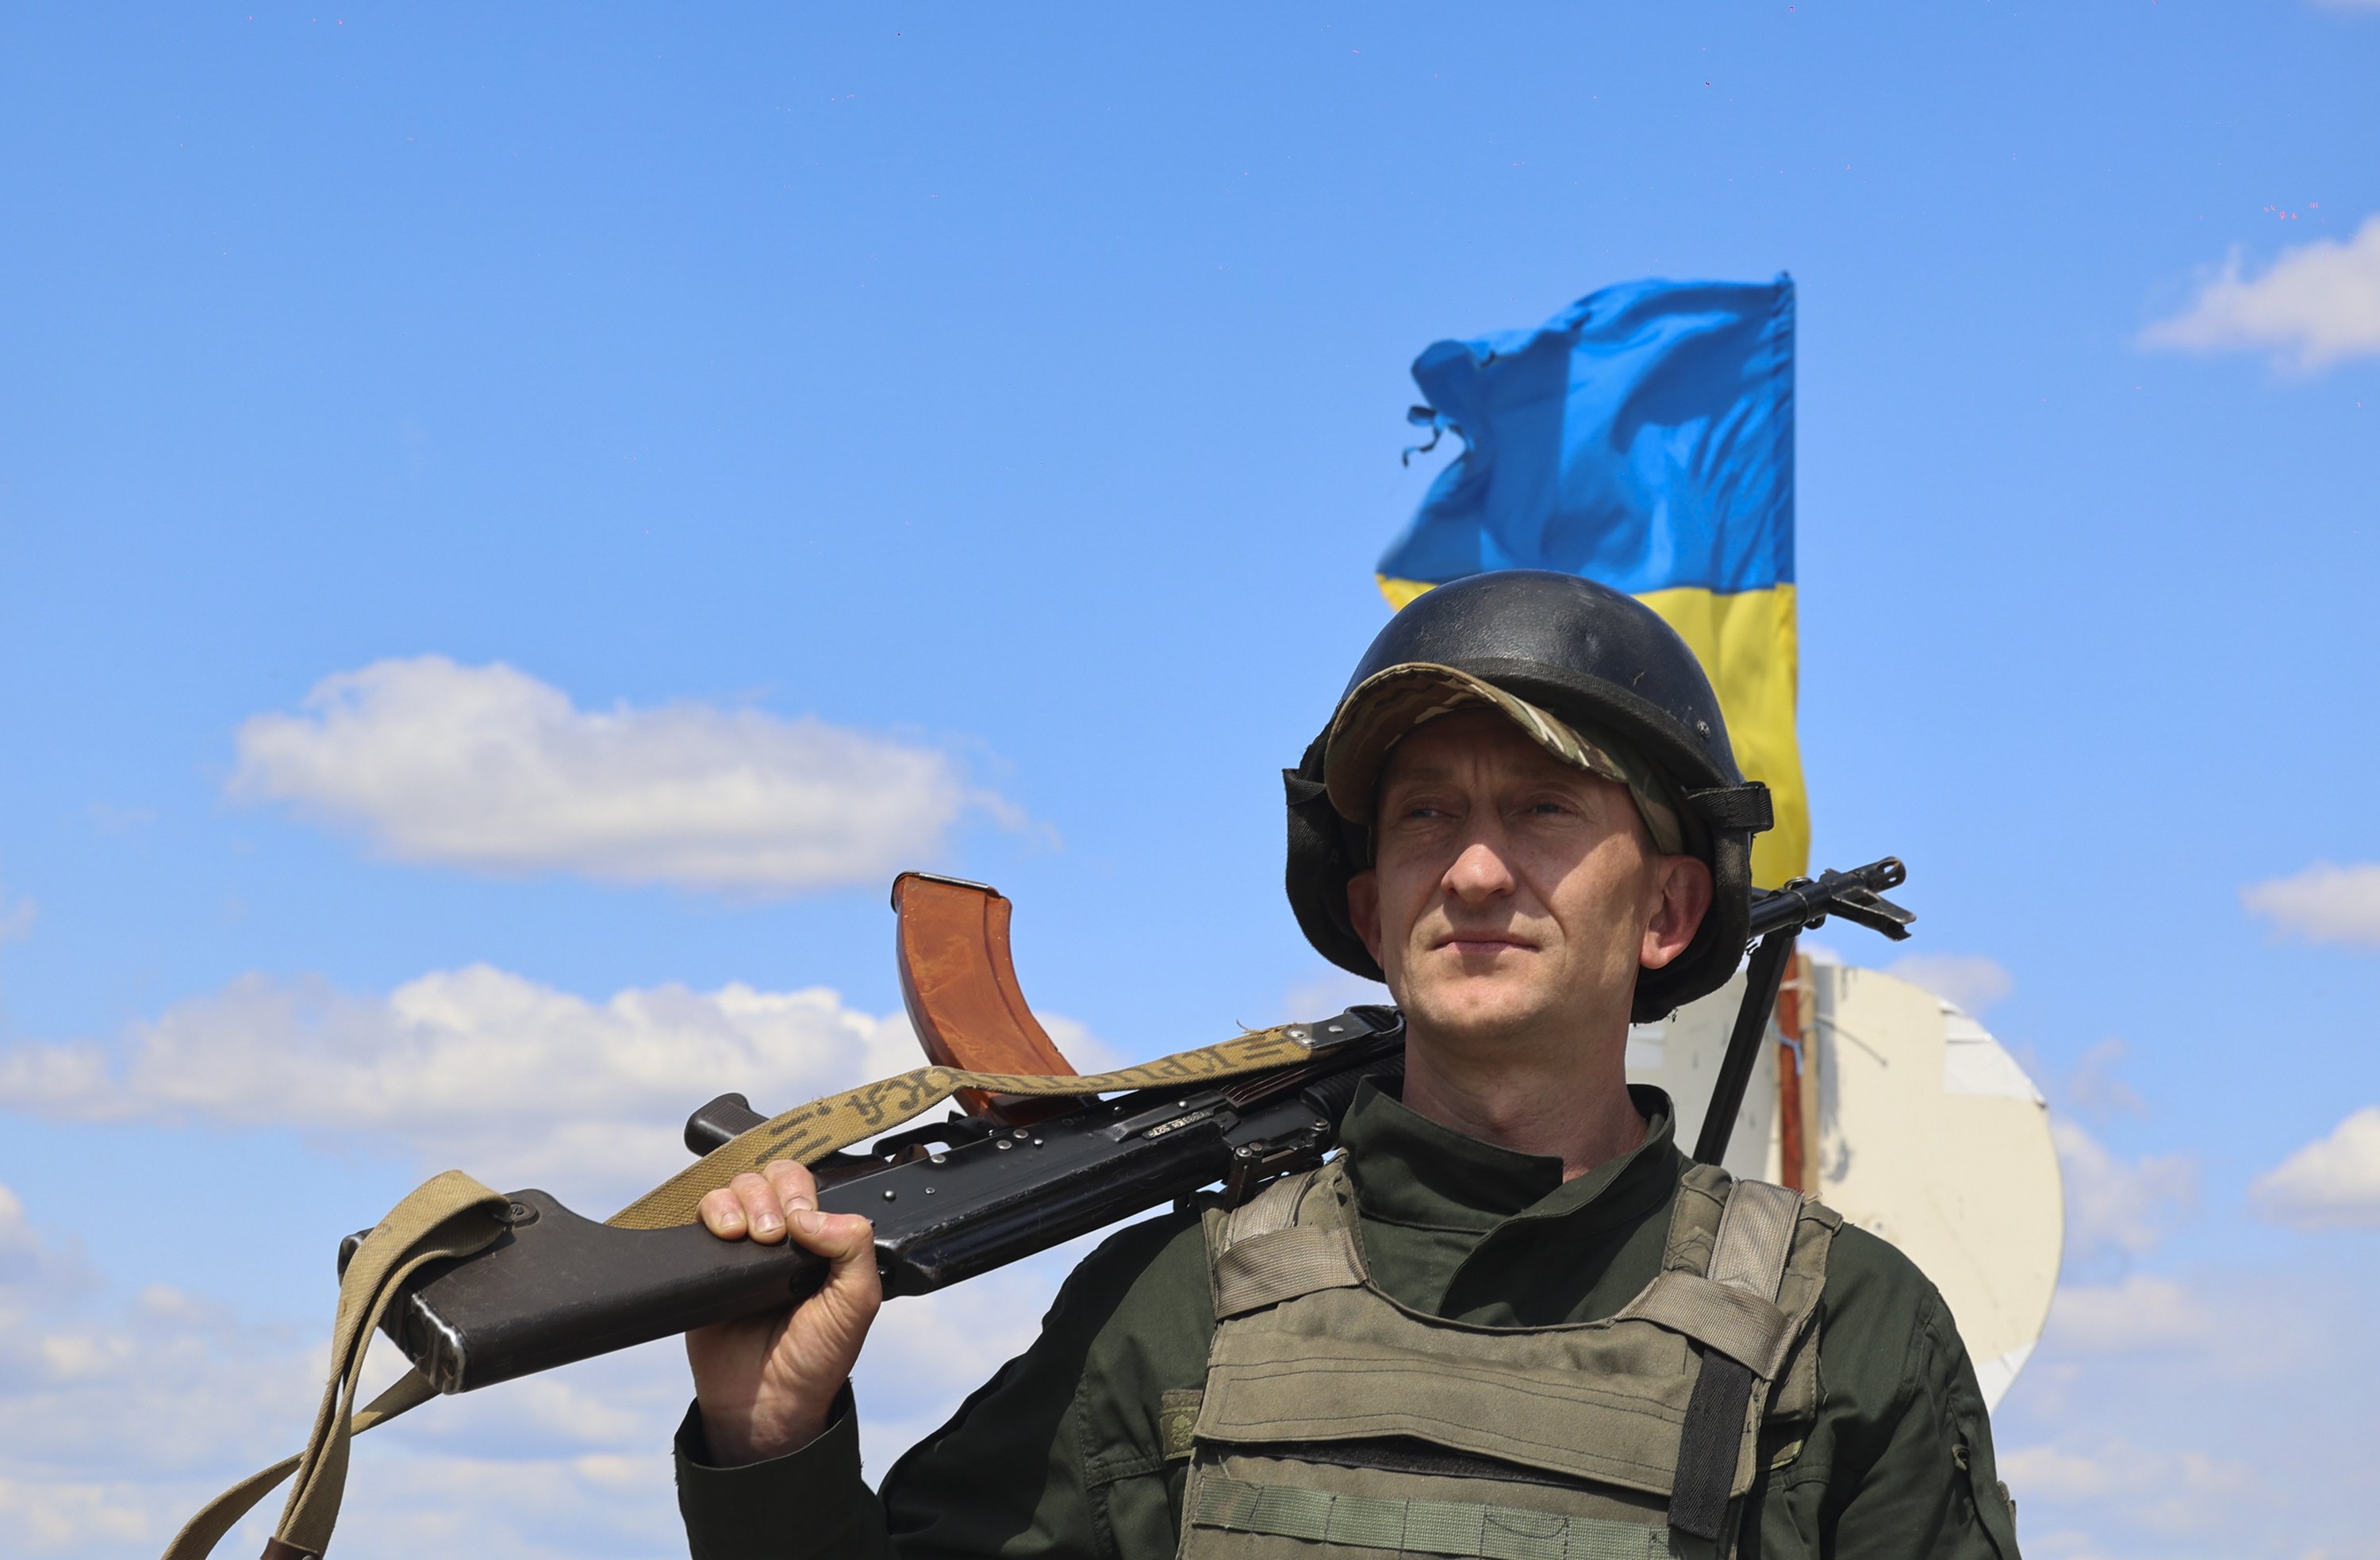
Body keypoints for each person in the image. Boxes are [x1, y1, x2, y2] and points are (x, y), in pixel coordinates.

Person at [672, 570, 2022, 1558]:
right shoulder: (1178, 1312)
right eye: (1426, 814)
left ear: (1668, 909)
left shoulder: (1843, 1334)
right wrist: (769, 1445)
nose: (1475, 868)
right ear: (1372, 914)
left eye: (1544, 807)